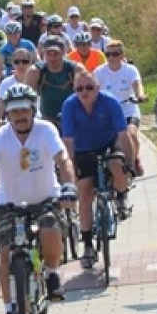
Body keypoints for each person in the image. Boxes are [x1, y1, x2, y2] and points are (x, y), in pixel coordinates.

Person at [0, 86, 77, 314]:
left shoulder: (45, 130)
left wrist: (68, 186)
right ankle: (10, 311)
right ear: (7, 113)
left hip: (45, 199)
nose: (19, 116)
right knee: (5, 254)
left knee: (50, 226)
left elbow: (63, 160)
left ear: (33, 110)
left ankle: (51, 273)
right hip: (10, 204)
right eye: (14, 111)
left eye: (24, 111)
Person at [60, 72, 133, 262]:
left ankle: (121, 197)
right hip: (83, 149)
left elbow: (124, 137)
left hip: (109, 143)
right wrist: (71, 167)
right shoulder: (69, 106)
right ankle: (88, 246)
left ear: (98, 88)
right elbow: (67, 142)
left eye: (89, 88)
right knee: (84, 193)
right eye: (79, 89)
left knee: (117, 166)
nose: (84, 92)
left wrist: (130, 164)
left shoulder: (110, 102)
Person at [92, 40, 145, 178]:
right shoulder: (99, 71)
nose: (111, 58)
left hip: (128, 108)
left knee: (131, 134)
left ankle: (134, 159)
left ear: (122, 55)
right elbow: (94, 88)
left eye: (115, 54)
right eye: (108, 54)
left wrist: (140, 95)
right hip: (108, 111)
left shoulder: (130, 70)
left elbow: (137, 84)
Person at [21, 36, 79, 125]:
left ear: (63, 53)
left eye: (56, 54)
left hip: (73, 119)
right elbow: (25, 99)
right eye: (48, 54)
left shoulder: (75, 69)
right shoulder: (35, 71)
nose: (52, 58)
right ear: (43, 53)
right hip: (46, 120)